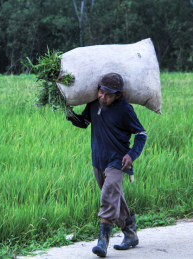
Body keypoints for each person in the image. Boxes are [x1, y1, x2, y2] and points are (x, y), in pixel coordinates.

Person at [66, 73, 147, 257]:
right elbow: (84, 122)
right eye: (101, 92)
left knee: (109, 193)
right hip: (98, 160)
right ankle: (130, 233)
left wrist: (131, 155)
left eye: (108, 95)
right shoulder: (94, 103)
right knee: (114, 196)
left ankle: (102, 241)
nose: (103, 97)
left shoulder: (125, 110)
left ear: (119, 95)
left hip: (118, 161)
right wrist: (69, 114)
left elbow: (141, 134)